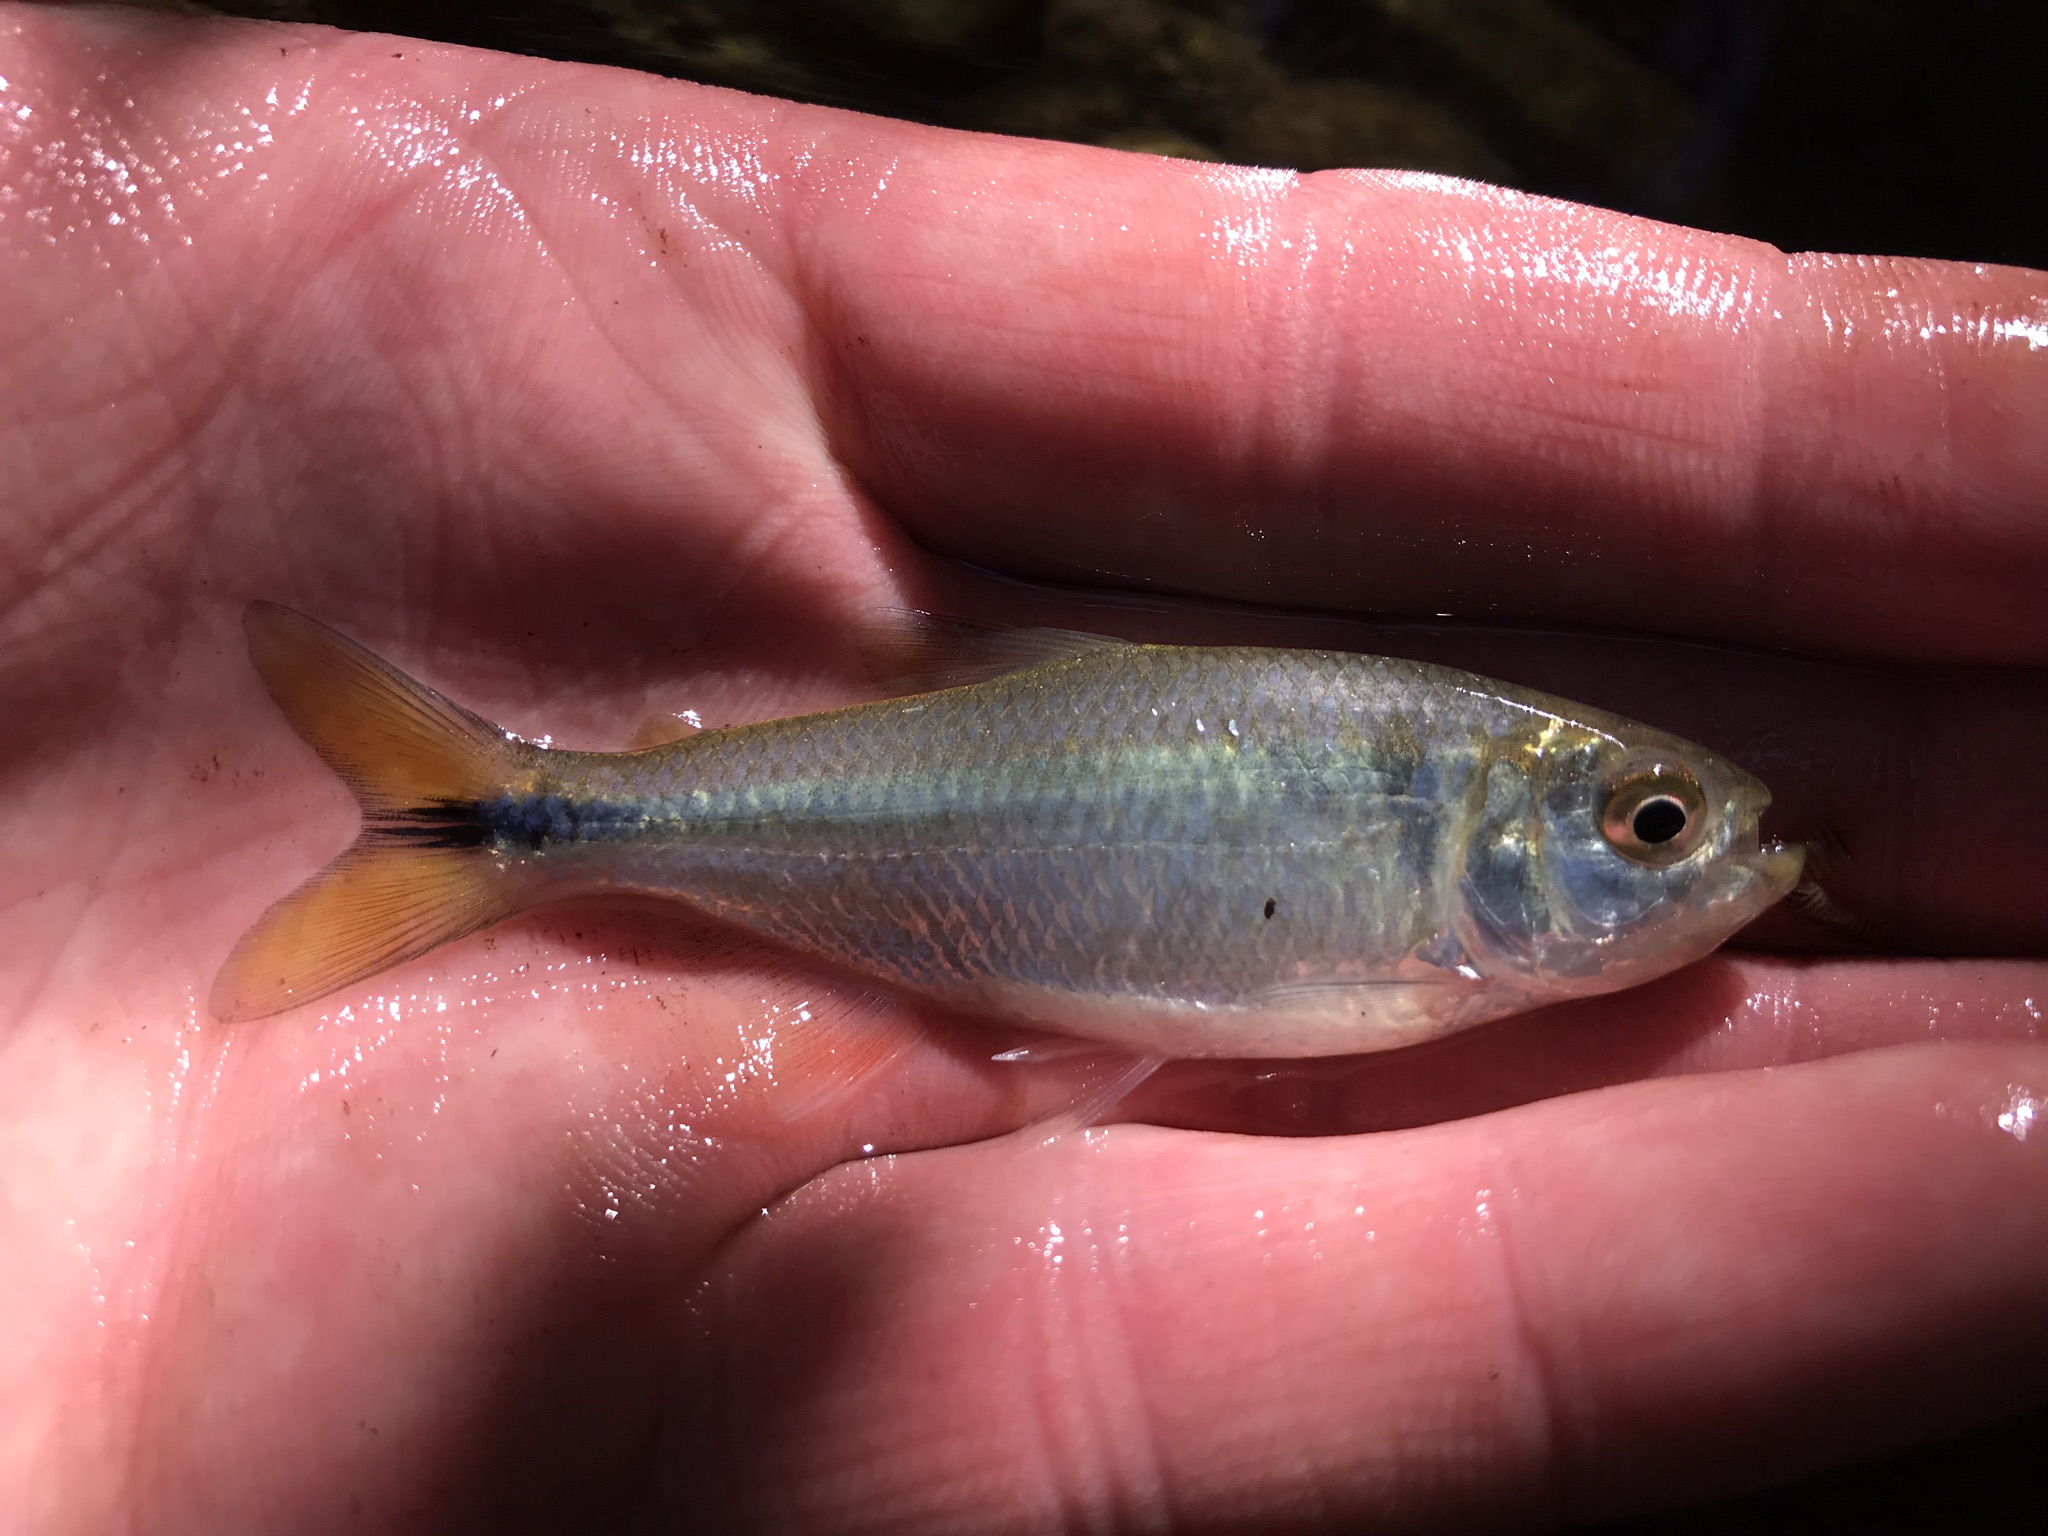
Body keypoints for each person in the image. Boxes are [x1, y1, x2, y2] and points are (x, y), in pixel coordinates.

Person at [3, 5, 2044, 1531]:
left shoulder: (1436, 897)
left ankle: (523, 812)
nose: (1708, 854)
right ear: (1501, 818)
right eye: (1652, 828)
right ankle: (515, 814)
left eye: (1659, 827)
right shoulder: (1423, 868)